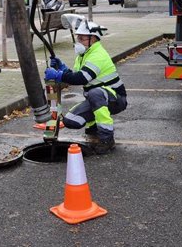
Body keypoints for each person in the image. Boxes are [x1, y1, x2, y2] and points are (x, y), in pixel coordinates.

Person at [44, 20, 128, 154]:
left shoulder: (98, 55)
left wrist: (59, 75)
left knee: (94, 94)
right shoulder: (83, 55)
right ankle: (93, 132)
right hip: (99, 97)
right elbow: (76, 74)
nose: (78, 41)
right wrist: (63, 68)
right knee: (71, 120)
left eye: (82, 38)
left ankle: (107, 138)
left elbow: (82, 78)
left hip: (116, 99)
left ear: (93, 39)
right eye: (78, 38)